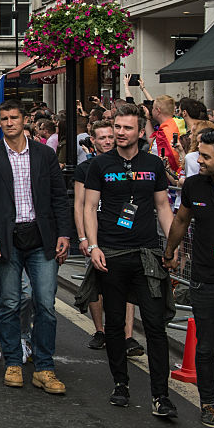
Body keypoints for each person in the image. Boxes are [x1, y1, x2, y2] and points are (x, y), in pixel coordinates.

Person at [81, 102, 176, 417]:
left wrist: (173, 245)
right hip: (112, 254)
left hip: (148, 255)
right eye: (117, 127)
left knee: (155, 324)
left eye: (126, 128)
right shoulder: (100, 165)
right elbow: (89, 206)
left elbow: (162, 206)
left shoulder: (153, 164)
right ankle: (120, 384)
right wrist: (93, 245)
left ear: (139, 131)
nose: (120, 133)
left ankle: (161, 396)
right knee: (115, 323)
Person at [0, 100, 71, 395]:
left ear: (24, 120)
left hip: (42, 238)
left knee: (45, 305)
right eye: (4, 118)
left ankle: (44, 367)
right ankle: (13, 362)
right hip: (7, 239)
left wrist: (64, 233)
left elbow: (57, 196)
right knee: (10, 303)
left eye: (14, 117)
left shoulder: (44, 154)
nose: (9, 123)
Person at [164, 129, 214, 428]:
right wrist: (169, 251)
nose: (200, 159)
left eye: (206, 155)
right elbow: (182, 219)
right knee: (207, 345)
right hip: (205, 279)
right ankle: (208, 402)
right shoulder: (195, 185)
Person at [75, 122, 142, 355]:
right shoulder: (86, 168)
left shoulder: (127, 165)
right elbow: (81, 205)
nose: (107, 141)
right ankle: (100, 330)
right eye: (101, 137)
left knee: (127, 287)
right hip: (96, 234)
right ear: (93, 140)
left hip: (122, 234)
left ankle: (128, 335)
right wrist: (83, 237)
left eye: (110, 137)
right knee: (96, 284)